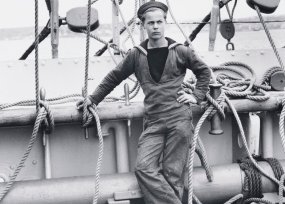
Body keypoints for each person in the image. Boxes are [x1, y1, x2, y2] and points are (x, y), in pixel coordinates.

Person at [84, 1, 211, 203]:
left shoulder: (180, 51)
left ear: (165, 23)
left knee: (172, 174)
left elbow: (204, 72)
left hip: (179, 120)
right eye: (150, 23)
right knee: (143, 168)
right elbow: (114, 77)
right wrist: (92, 99)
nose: (155, 27)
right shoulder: (136, 55)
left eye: (159, 22)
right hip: (153, 122)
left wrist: (196, 96)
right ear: (143, 25)